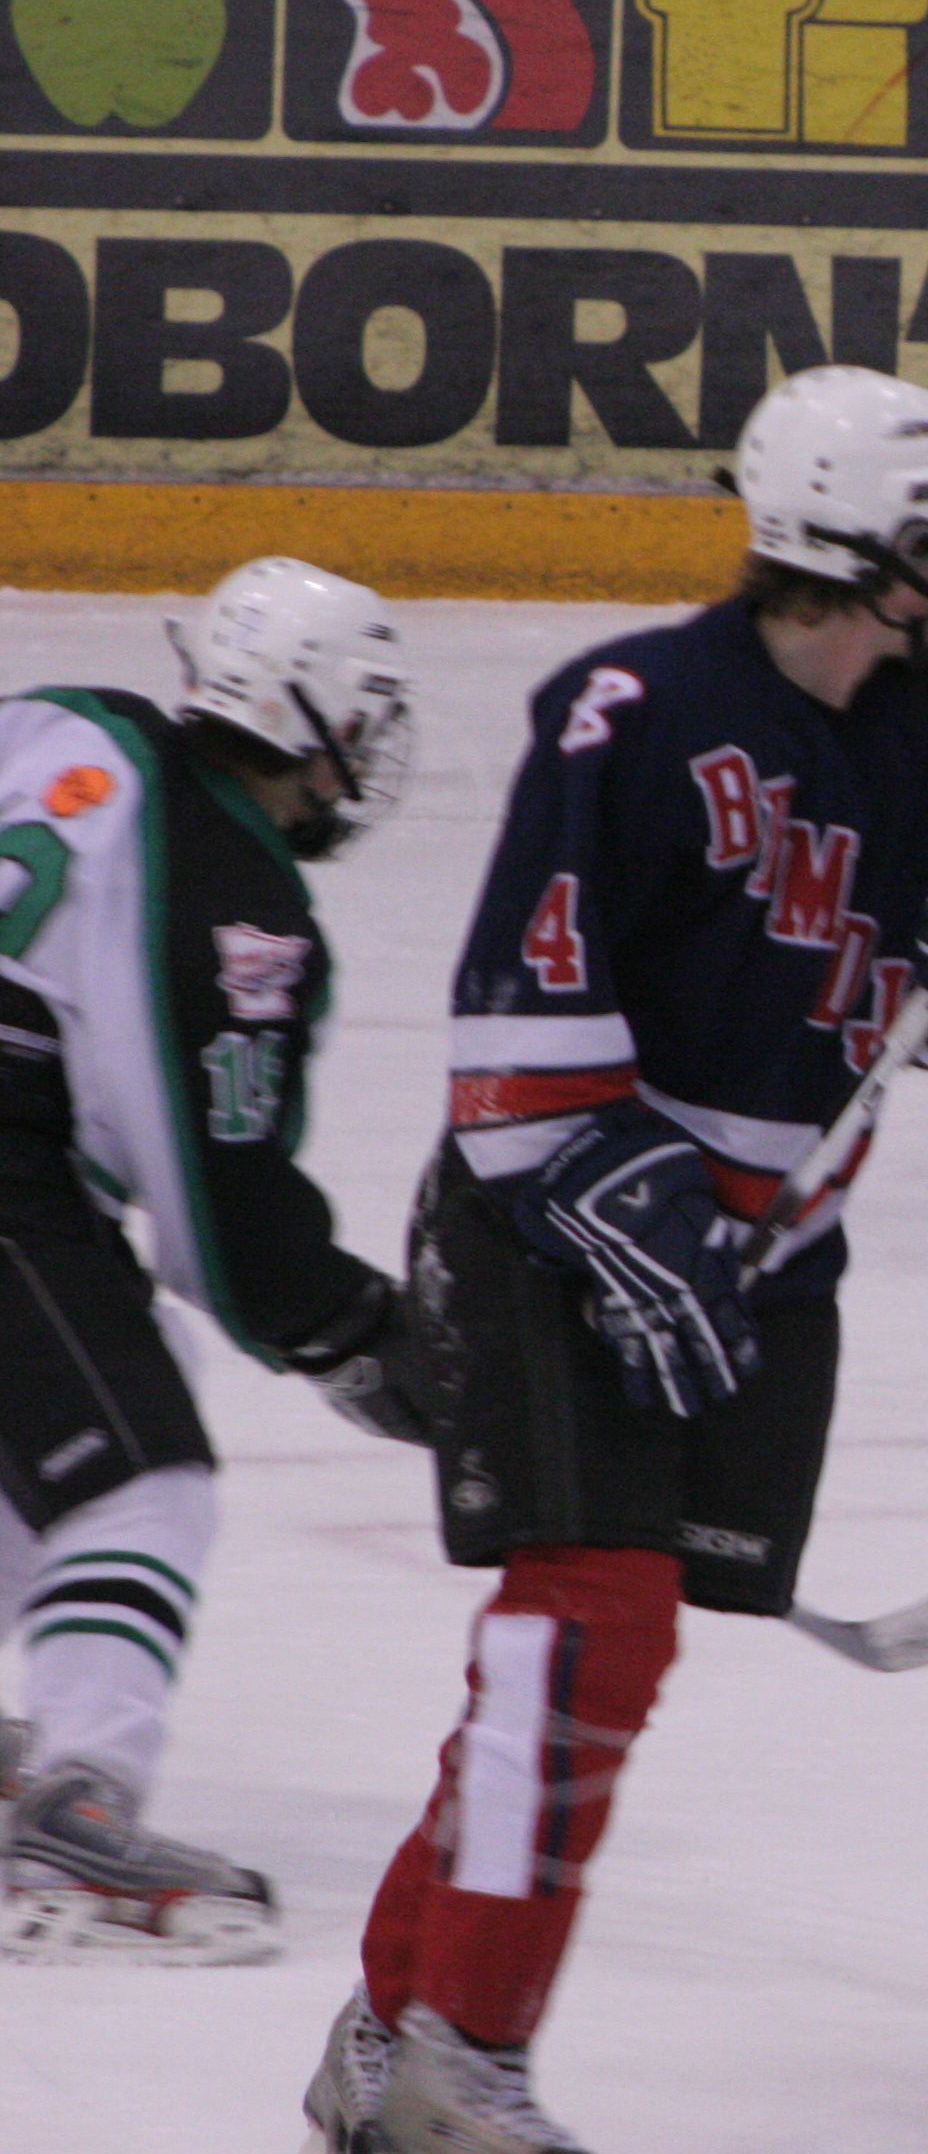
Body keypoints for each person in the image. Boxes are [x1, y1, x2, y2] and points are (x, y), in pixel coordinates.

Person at [301, 367, 928, 2154]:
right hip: (547, 1220)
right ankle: (457, 2063)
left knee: (599, 1657)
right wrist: (622, 1205)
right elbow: (513, 1018)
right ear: (867, 544)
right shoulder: (631, 709)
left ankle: (394, 2018)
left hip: (769, 1256)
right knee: (585, 1632)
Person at [0, 559, 421, 1967]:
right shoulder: (242, 900)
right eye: (358, 724)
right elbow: (217, 1215)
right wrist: (360, 1333)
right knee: (144, 1472)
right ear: (309, 723)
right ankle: (80, 1798)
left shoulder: (69, 721)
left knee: (85, 1394)